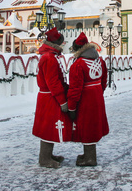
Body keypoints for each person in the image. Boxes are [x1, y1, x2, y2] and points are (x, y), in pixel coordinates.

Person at [67, 32, 109, 166]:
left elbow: (75, 88)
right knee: (93, 125)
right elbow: (104, 80)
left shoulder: (78, 64)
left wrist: (72, 106)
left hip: (85, 99)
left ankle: (90, 158)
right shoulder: (100, 60)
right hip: (96, 97)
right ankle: (88, 154)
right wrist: (98, 92)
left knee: (87, 126)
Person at [32, 27, 71, 168]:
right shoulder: (50, 58)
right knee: (48, 127)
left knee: (51, 126)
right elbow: (52, 82)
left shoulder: (50, 56)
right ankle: (44, 159)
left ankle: (48, 155)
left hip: (48, 96)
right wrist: (62, 100)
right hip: (49, 97)